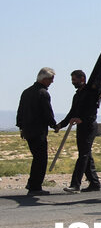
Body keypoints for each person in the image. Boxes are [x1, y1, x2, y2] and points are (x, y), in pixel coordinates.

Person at [56, 70, 101, 193]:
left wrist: (81, 119)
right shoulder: (77, 95)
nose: (73, 83)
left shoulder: (91, 92)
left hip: (89, 127)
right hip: (81, 128)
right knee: (87, 155)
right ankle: (94, 183)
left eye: (74, 80)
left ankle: (75, 184)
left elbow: (92, 112)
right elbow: (72, 113)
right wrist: (61, 125)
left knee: (83, 155)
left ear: (82, 78)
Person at [16, 67, 59, 195]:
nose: (52, 82)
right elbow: (47, 112)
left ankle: (32, 183)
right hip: (38, 131)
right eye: (51, 79)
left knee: (37, 158)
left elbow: (20, 112)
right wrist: (54, 125)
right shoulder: (42, 93)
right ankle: (35, 186)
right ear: (44, 79)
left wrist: (21, 127)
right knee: (41, 159)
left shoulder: (26, 92)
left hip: (28, 131)